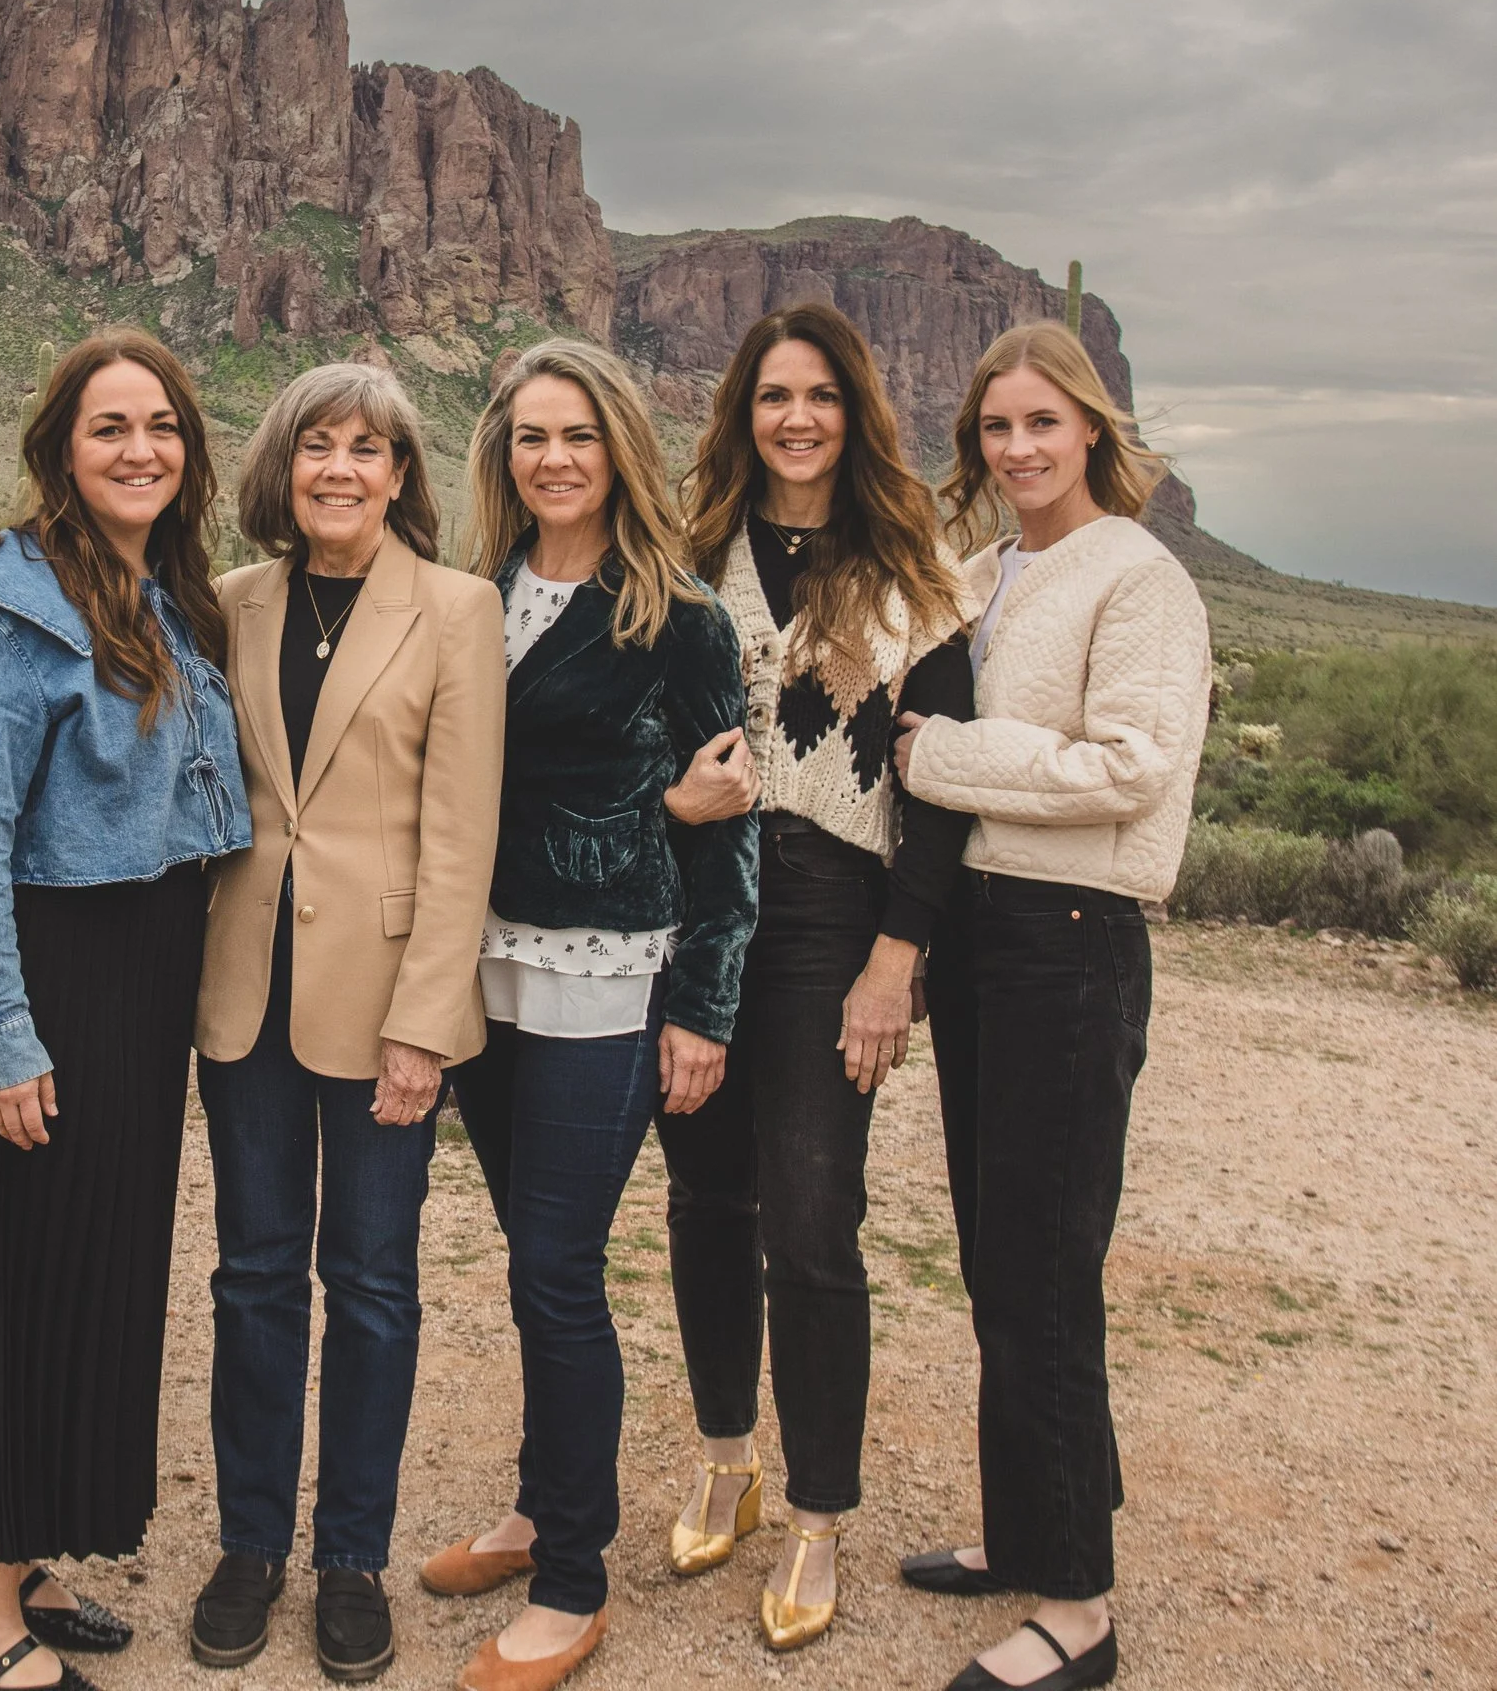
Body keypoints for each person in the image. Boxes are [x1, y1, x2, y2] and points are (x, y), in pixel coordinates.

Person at [0, 330, 252, 1691]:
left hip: (140, 977)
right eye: (110, 427)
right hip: (47, 976)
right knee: (28, 1273)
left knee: (89, 1272)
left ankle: (21, 1549)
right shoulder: (0, 605)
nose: (141, 449)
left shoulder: (161, 594)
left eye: (161, 425)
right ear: (61, 449)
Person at [424, 339, 759, 1691]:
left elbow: (727, 830)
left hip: (606, 976)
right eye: (527, 438)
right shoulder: (471, 597)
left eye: (575, 434)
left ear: (619, 445)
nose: (551, 459)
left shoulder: (679, 619)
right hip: (480, 970)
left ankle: (573, 1581)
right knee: (528, 1251)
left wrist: (705, 1010)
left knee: (558, 1268)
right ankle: (535, 1508)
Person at [658, 302, 976, 1650]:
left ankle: (821, 1512)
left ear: (856, 410)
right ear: (744, 411)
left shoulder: (917, 573)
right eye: (775, 396)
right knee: (701, 1196)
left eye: (823, 397)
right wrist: (673, 800)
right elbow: (638, 729)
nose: (798, 418)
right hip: (700, 907)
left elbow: (941, 794)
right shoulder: (684, 560)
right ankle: (726, 1452)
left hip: (833, 916)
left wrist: (894, 962)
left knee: (811, 1216)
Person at [898, 321, 1210, 1691]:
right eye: (996, 428)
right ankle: (1030, 1533)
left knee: (1042, 1271)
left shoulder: (1137, 576)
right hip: (982, 940)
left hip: (1071, 941)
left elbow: (1130, 769)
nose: (1018, 449)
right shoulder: (978, 574)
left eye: (1043, 423)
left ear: (1092, 428)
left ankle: (1080, 1610)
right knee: (995, 1257)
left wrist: (944, 756)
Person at [188, 364, 505, 1682]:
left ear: (400, 476)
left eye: (366, 450)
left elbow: (461, 830)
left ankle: (350, 1560)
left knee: (370, 1287)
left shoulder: (456, 609)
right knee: (255, 1274)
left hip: (386, 1002)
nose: (338, 469)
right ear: (284, 464)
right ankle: (252, 1544)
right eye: (316, 444)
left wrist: (427, 1021)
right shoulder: (227, 603)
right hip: (244, 988)